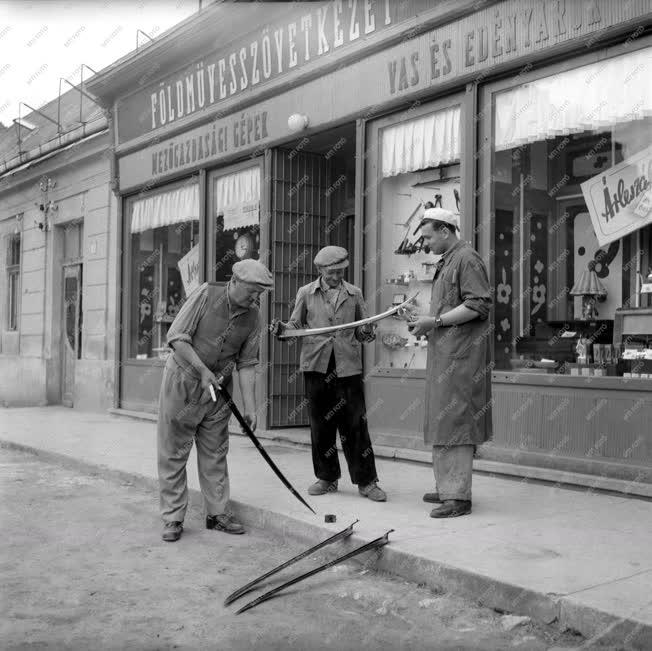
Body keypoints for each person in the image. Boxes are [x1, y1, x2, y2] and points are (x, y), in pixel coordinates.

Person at [157, 259, 273, 542]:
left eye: (259, 294)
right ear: (234, 282)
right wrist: (202, 371)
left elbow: (247, 363)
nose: (255, 298)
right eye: (251, 292)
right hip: (182, 381)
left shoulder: (253, 316)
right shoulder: (206, 294)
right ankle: (173, 517)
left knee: (215, 451)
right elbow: (177, 338)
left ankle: (218, 513)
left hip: (219, 390)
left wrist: (249, 408)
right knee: (173, 451)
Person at [271, 246, 387, 502]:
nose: (336, 277)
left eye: (340, 271)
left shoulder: (354, 293)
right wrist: (283, 330)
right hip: (316, 366)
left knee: (355, 425)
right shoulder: (306, 293)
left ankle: (367, 482)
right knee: (321, 425)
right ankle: (327, 477)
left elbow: (362, 332)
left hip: (348, 367)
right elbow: (295, 326)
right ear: (320, 270)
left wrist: (368, 331)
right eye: (332, 272)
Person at [407, 208, 492, 518]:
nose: (425, 243)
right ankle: (448, 488)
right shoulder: (450, 260)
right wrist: (427, 323)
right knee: (443, 421)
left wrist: (436, 320)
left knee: (456, 422)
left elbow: (478, 305)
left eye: (428, 236)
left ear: (445, 230)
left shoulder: (467, 259)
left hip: (462, 358)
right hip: (446, 354)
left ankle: (458, 497)